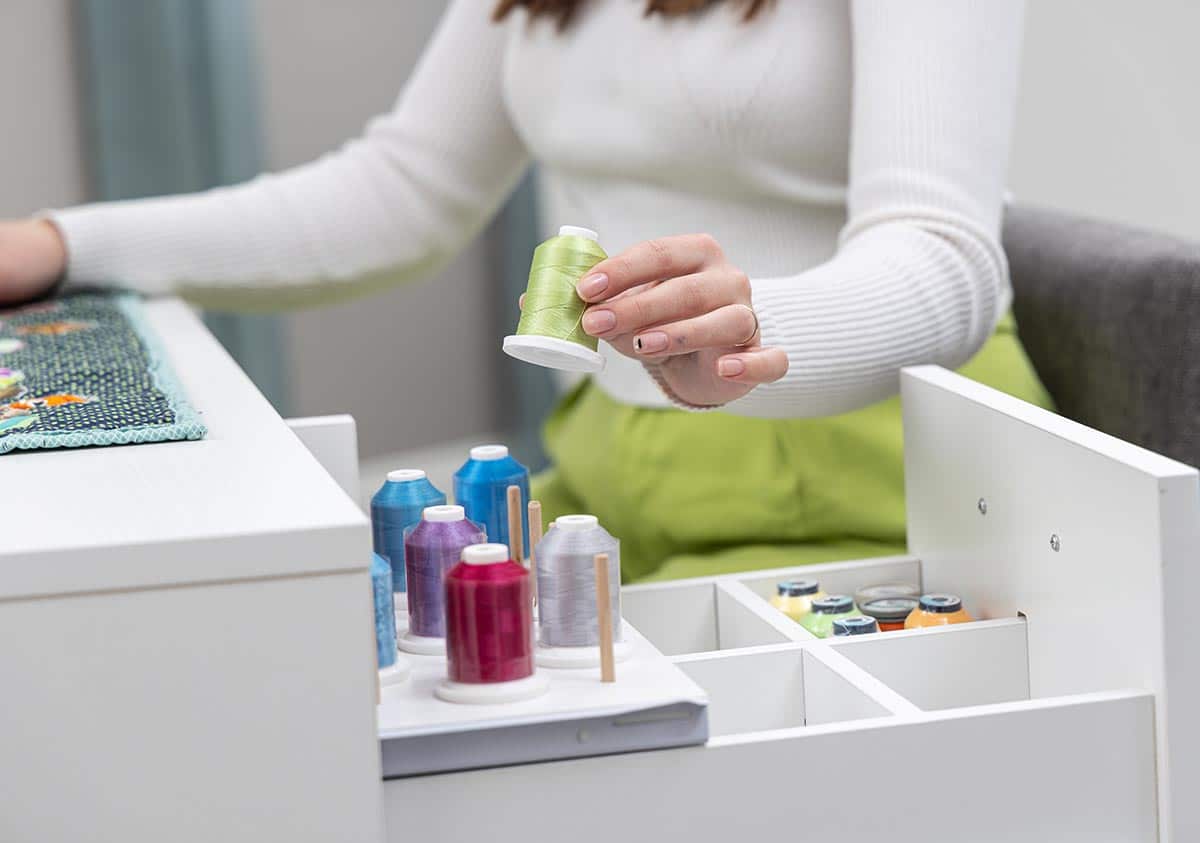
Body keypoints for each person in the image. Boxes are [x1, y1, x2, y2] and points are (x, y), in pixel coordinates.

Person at [0, 0, 1049, 580]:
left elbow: (947, 259)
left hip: (882, 472)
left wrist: (747, 332)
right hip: (617, 456)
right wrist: (61, 244)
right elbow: (401, 194)